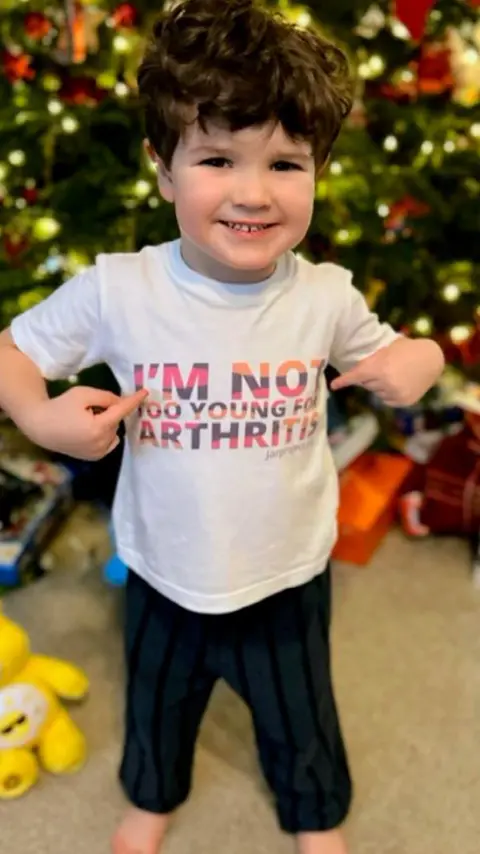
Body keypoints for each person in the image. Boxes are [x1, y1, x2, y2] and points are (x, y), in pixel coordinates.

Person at [0, 1, 445, 852]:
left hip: (286, 568)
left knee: (301, 708)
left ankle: (314, 815)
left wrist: (417, 360)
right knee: (158, 701)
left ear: (318, 171)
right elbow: (11, 353)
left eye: (286, 163)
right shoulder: (119, 289)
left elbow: (406, 355)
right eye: (216, 158)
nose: (253, 191)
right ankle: (153, 795)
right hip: (165, 568)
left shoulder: (325, 294)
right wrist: (38, 415)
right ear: (163, 169)